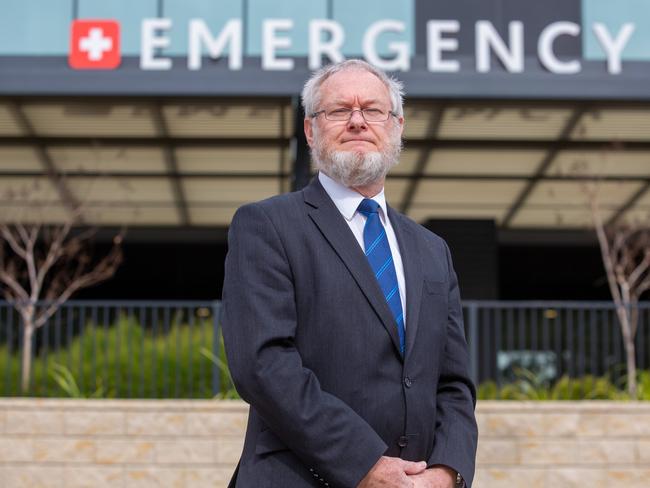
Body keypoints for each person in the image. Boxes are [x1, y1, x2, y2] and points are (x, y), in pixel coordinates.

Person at [221, 59, 478, 488]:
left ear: (396, 126)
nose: (358, 121)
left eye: (373, 110)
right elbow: (263, 364)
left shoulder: (433, 250)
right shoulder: (266, 226)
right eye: (339, 110)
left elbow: (453, 383)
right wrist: (365, 464)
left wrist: (447, 472)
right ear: (310, 130)